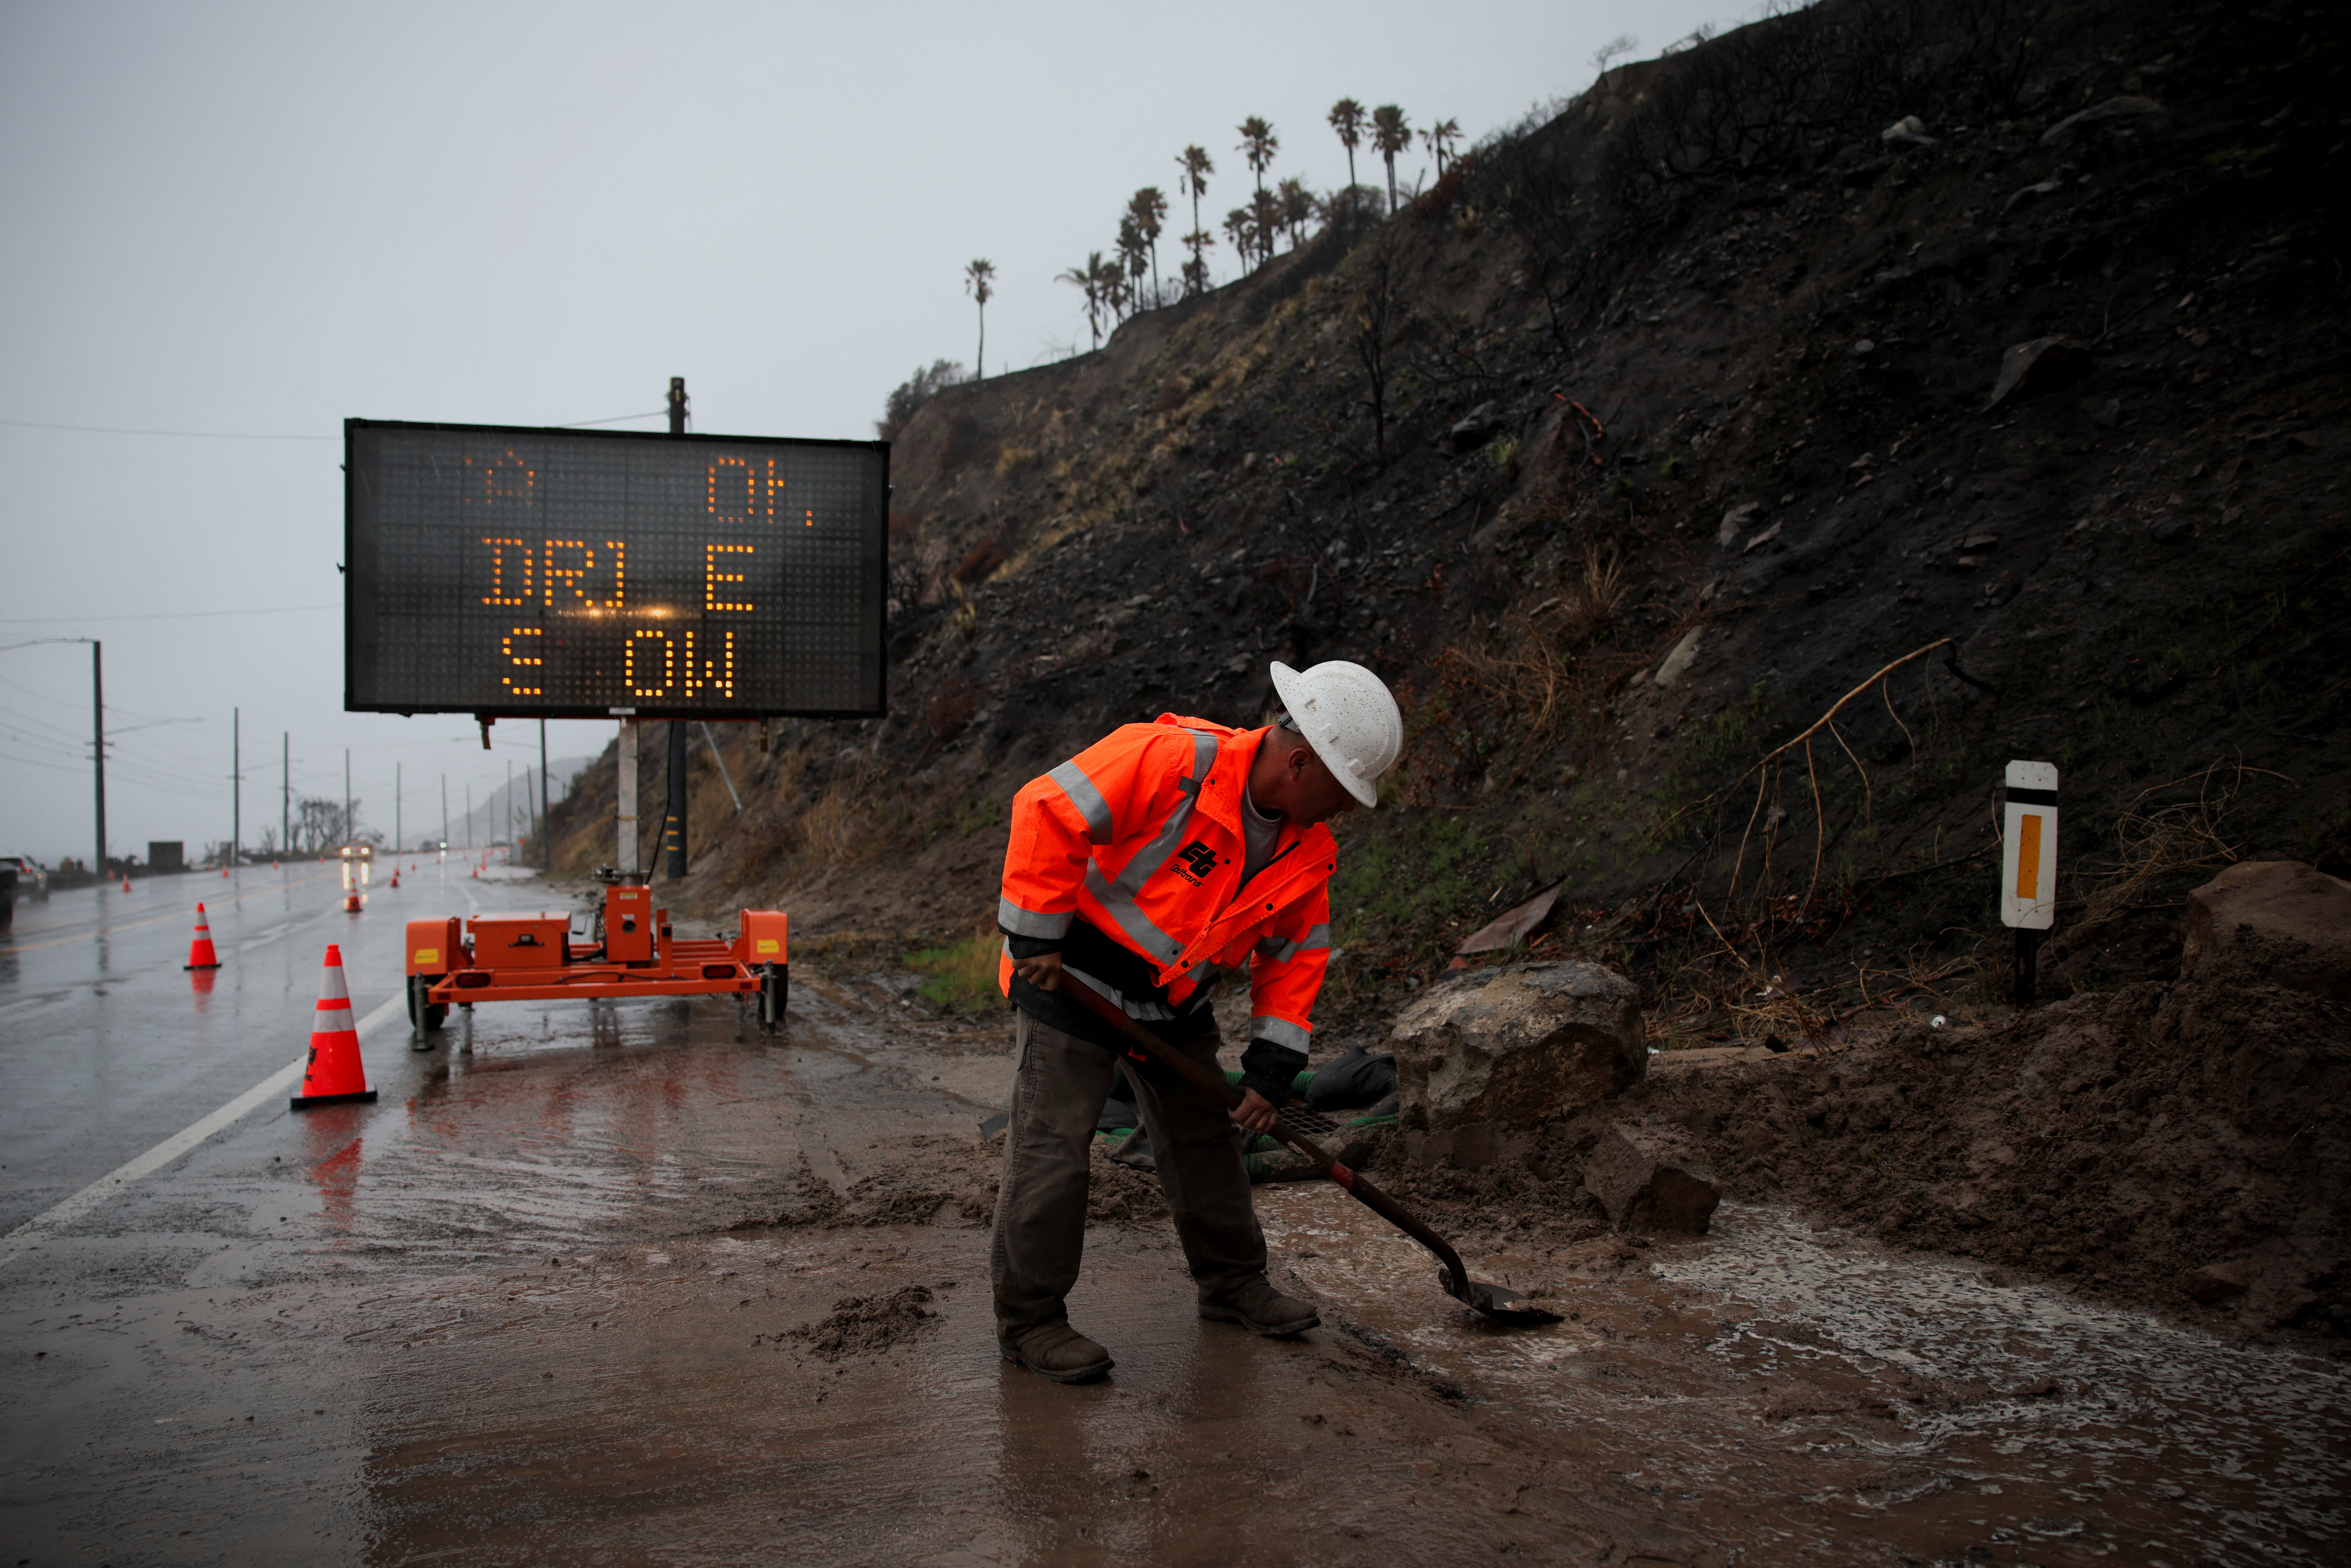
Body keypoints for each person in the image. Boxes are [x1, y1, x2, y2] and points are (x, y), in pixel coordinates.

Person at [990, 659, 1404, 1382]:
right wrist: (1035, 936)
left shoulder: (1308, 851)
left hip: (1171, 1001)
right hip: (1072, 977)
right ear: (1300, 760)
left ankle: (1234, 1284)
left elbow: (1294, 959)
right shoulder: (1173, 760)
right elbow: (1046, 807)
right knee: (1053, 1150)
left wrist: (1273, 1070)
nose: (1344, 811)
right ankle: (1031, 1322)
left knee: (1206, 1143)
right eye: (1343, 793)